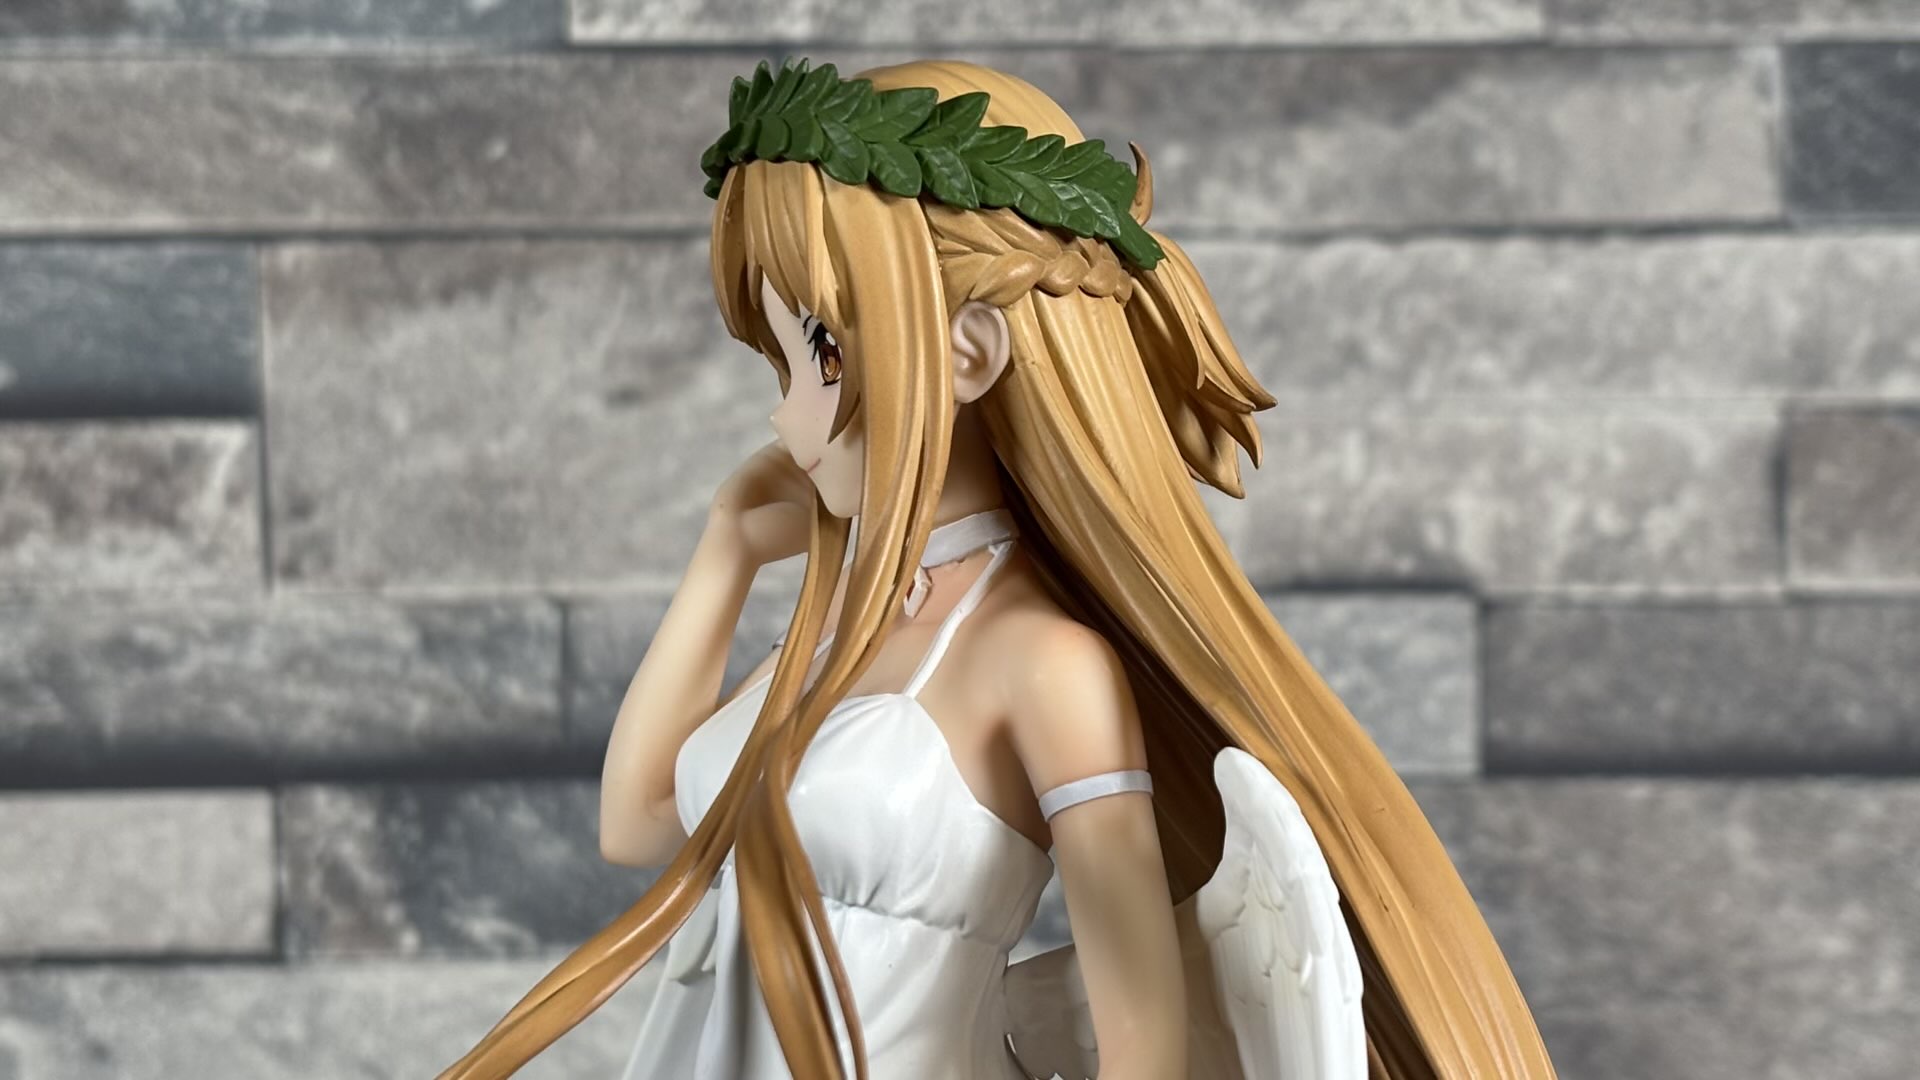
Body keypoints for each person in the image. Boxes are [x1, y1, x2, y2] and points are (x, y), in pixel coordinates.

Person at [437, 57, 1558, 1080]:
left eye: (821, 354)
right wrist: (724, 553)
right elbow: (639, 823)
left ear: (969, 352)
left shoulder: (1044, 664)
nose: (787, 415)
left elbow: (1142, 1040)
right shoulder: (843, 628)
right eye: (780, 364)